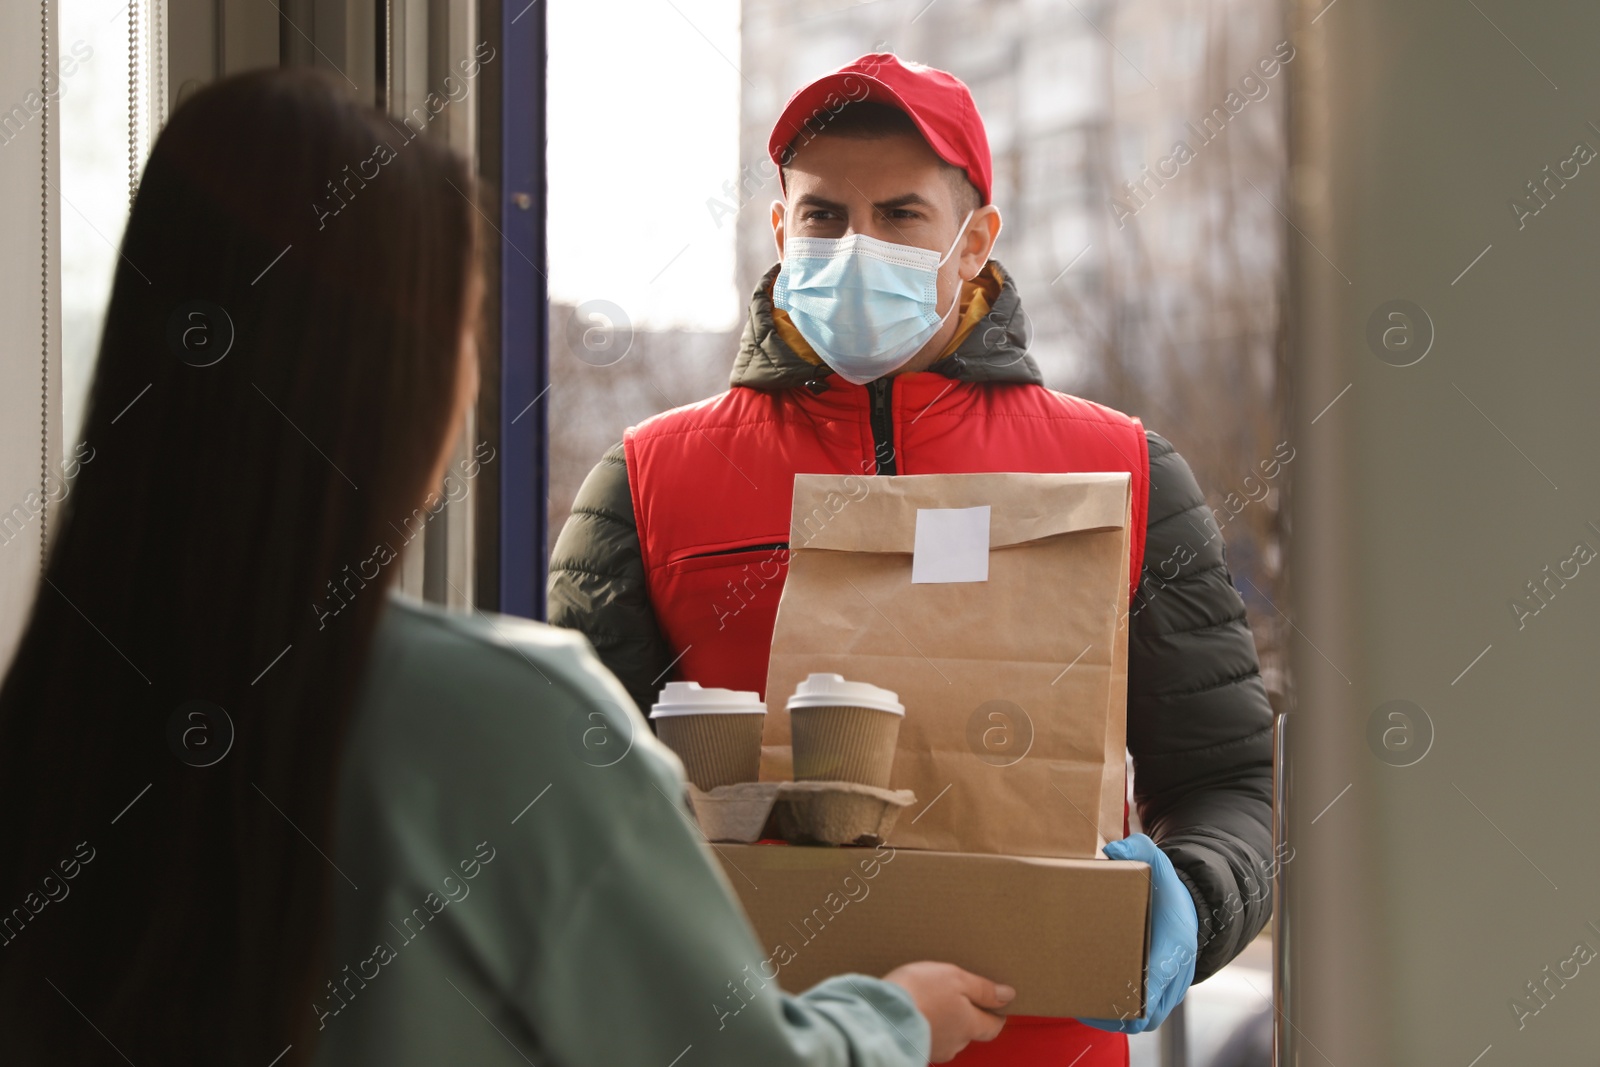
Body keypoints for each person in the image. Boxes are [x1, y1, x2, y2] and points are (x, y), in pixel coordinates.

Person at [0, 68, 1012, 1066]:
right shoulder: (522, 705)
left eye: (898, 214)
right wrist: (891, 1020)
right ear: (408, 378)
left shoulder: (54, 717)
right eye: (467, 330)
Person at [549, 53, 1276, 1065]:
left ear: (975, 241)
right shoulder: (646, 482)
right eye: (824, 216)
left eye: (900, 216)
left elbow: (1229, 776)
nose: (856, 248)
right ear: (778, 229)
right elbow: (566, 801)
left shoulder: (1122, 471)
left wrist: (1196, 895)